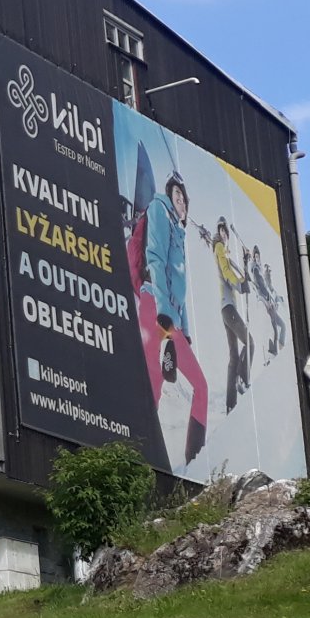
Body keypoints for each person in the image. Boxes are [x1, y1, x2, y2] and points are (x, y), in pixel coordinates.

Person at [129, 170, 209, 463]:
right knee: (160, 382)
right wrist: (163, 313)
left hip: (166, 313)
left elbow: (181, 292)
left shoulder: (179, 229)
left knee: (179, 384)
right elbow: (155, 258)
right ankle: (144, 455)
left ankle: (187, 460)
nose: (181, 201)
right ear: (168, 195)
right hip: (155, 306)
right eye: (177, 195)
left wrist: (184, 330)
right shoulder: (159, 211)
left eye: (184, 198)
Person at [212, 220, 252, 412]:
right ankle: (242, 378)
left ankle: (230, 404)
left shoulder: (225, 252)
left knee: (234, 356)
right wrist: (239, 285)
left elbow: (240, 277)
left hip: (226, 309)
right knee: (250, 342)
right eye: (221, 230)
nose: (223, 233)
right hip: (228, 308)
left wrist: (245, 265)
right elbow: (227, 272)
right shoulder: (219, 248)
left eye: (225, 230)